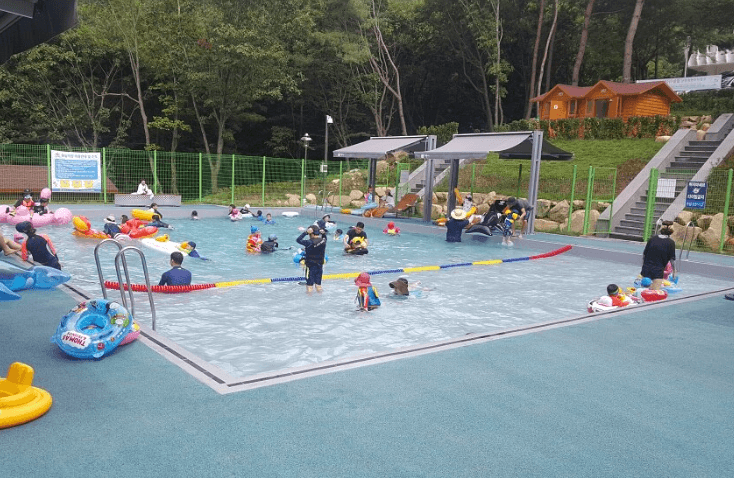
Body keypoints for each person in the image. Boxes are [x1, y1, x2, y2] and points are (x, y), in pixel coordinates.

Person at [640, 220, 676, 290]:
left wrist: (643, 267)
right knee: (655, 291)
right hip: (658, 271)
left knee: (643, 290)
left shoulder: (652, 238)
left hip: (646, 269)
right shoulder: (671, 242)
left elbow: (644, 255)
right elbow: (672, 259)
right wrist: (674, 272)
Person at [296, 224, 327, 293]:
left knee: (309, 286)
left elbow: (298, 240)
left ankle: (309, 299)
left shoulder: (309, 242)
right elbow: (324, 237)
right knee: (318, 286)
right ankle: (320, 297)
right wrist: (323, 233)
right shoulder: (323, 240)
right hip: (320, 266)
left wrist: (305, 232)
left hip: (310, 266)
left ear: (311, 233)